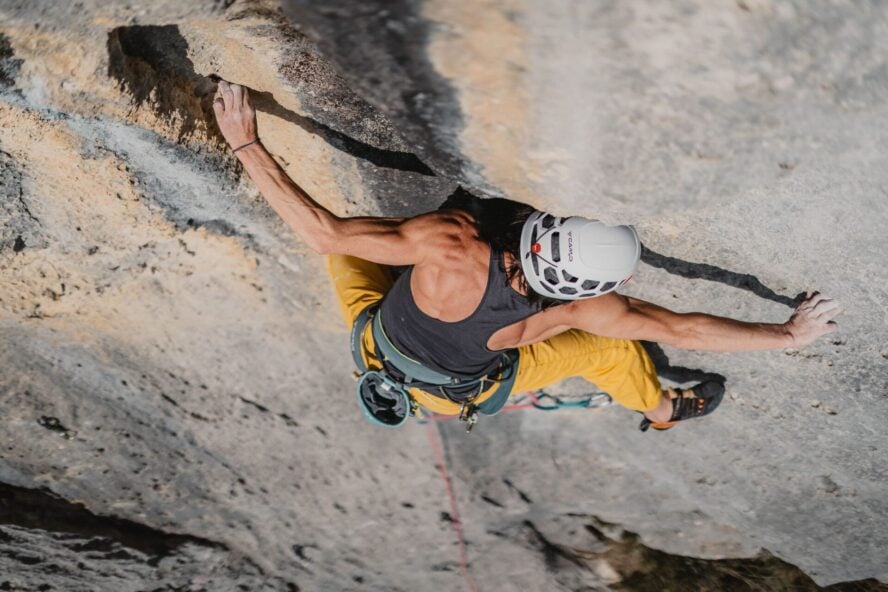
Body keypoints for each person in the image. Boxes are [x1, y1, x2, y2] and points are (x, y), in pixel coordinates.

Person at [212, 80, 842, 431]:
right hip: (405, 360)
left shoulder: (451, 242)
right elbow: (683, 329)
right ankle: (658, 405)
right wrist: (787, 335)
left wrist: (244, 143)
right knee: (615, 348)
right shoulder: (575, 312)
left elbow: (323, 233)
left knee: (345, 250)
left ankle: (662, 408)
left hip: (380, 338)